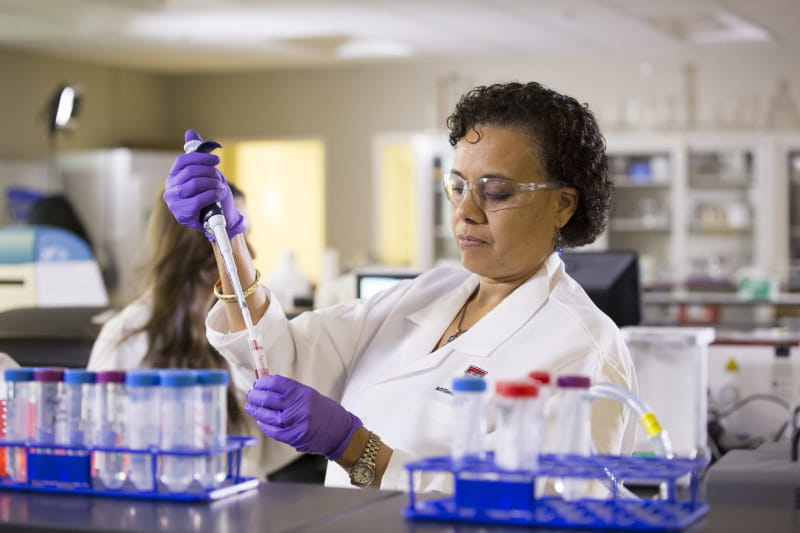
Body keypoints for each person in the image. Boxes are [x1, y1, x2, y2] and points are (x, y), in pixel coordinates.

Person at [163, 81, 637, 493]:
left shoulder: (584, 349)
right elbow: (280, 358)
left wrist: (357, 450)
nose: (465, 211)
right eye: (457, 186)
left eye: (494, 192)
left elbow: (546, 508)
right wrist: (227, 238)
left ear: (563, 205)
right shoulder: (429, 293)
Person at [87, 189, 301, 480]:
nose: (250, 253)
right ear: (193, 245)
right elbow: (104, 455)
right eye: (234, 238)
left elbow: (261, 449)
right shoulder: (127, 337)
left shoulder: (231, 331)